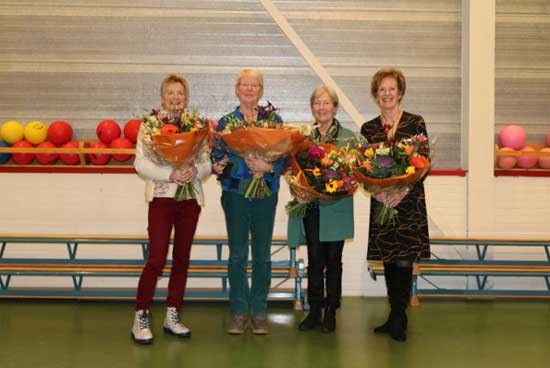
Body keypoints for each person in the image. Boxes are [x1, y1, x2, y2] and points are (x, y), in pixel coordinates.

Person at [131, 74, 212, 344]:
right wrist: (170, 174)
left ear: (186, 98)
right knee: (155, 259)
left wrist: (194, 170)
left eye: (180, 93)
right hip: (163, 198)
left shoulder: (196, 125)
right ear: (162, 97)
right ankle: (140, 315)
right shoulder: (149, 126)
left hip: (189, 200)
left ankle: (172, 314)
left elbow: (207, 163)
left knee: (181, 259)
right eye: (170, 93)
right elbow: (140, 164)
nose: (175, 97)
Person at [211, 69, 288, 335]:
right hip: (235, 195)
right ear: (237, 88)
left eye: (254, 85)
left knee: (263, 256)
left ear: (261, 89)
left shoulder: (274, 120)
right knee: (237, 255)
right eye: (244, 84)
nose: (249, 89)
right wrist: (225, 164)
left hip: (266, 193)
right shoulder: (226, 122)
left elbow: (286, 157)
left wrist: (267, 167)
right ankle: (238, 311)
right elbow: (217, 157)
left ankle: (259, 311)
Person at [360, 67, 430, 342]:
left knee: (404, 258)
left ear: (400, 93)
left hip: (409, 200)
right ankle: (394, 314)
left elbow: (423, 162)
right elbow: (363, 167)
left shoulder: (415, 123)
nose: (386, 94)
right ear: (376, 95)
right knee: (389, 258)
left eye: (391, 89)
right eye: (382, 90)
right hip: (382, 201)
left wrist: (401, 190)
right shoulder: (369, 128)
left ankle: (400, 317)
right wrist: (378, 192)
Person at [287, 85, 355, 333]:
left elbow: (355, 172)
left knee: (334, 261)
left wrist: (347, 182)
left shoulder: (349, 137)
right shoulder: (304, 137)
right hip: (313, 208)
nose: (321, 107)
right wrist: (298, 190)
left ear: (335, 107)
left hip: (336, 208)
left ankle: (331, 312)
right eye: (317, 103)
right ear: (312, 107)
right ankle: (314, 309)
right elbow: (293, 170)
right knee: (315, 260)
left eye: (326, 103)